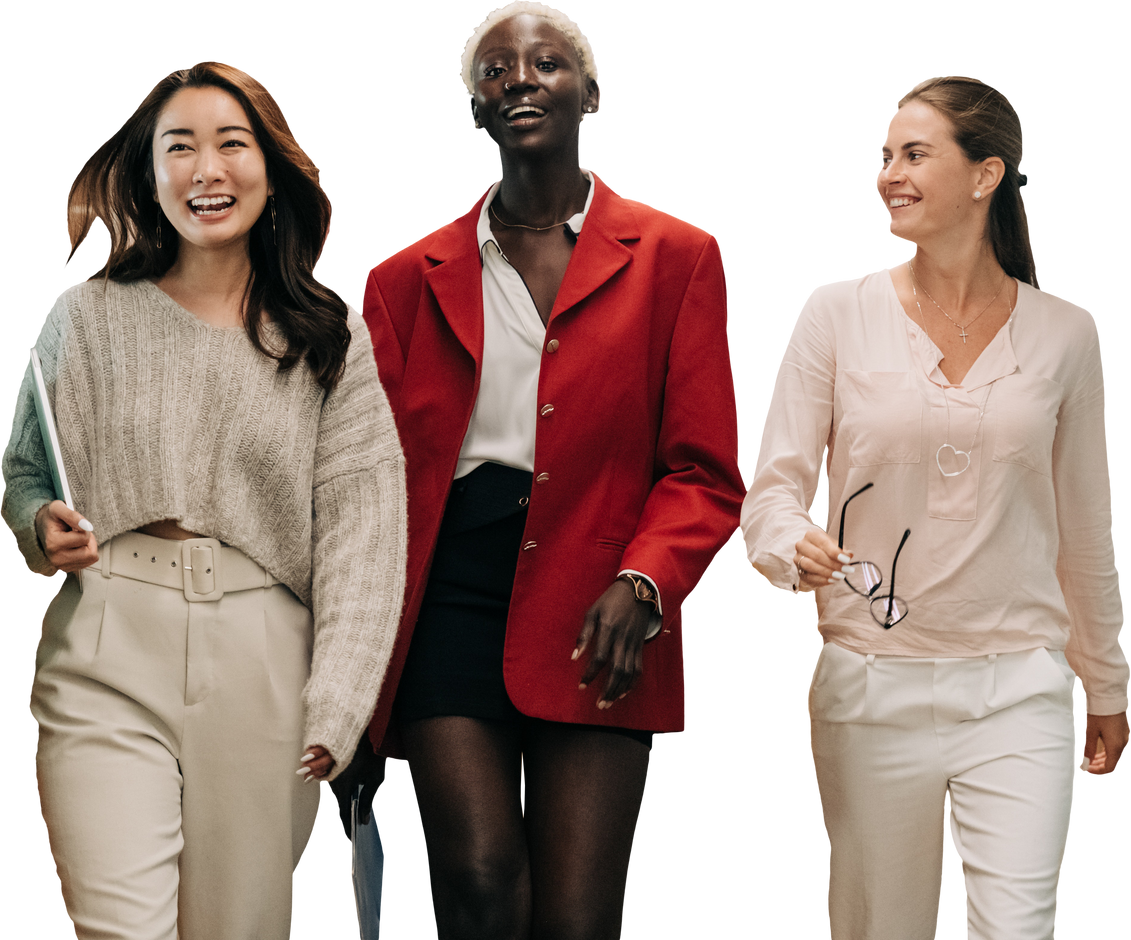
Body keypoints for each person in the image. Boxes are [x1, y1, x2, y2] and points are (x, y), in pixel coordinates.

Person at [350, 2, 743, 937]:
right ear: (474, 113)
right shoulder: (402, 280)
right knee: (478, 879)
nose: (519, 76)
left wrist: (644, 582)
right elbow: (363, 479)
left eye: (547, 62)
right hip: (447, 591)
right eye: (495, 70)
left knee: (575, 914)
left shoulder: (676, 258)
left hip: (601, 595)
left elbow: (704, 466)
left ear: (589, 94)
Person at [2, 60, 407, 940]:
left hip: (264, 656)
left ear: (270, 166)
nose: (204, 169)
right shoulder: (84, 315)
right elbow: (25, 469)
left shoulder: (330, 338)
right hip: (105, 636)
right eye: (176, 147)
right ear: (150, 175)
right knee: (117, 927)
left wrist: (339, 699)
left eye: (230, 143)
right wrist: (43, 524)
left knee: (243, 927)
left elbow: (364, 534)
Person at [741, 74, 1131, 939]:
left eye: (914, 154)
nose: (889, 175)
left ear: (985, 175)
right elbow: (772, 489)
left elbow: (1088, 531)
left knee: (1020, 926)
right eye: (882, 158)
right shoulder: (832, 314)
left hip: (1020, 691)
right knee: (885, 927)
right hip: (869, 690)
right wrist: (787, 541)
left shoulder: (1066, 336)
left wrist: (1108, 683)